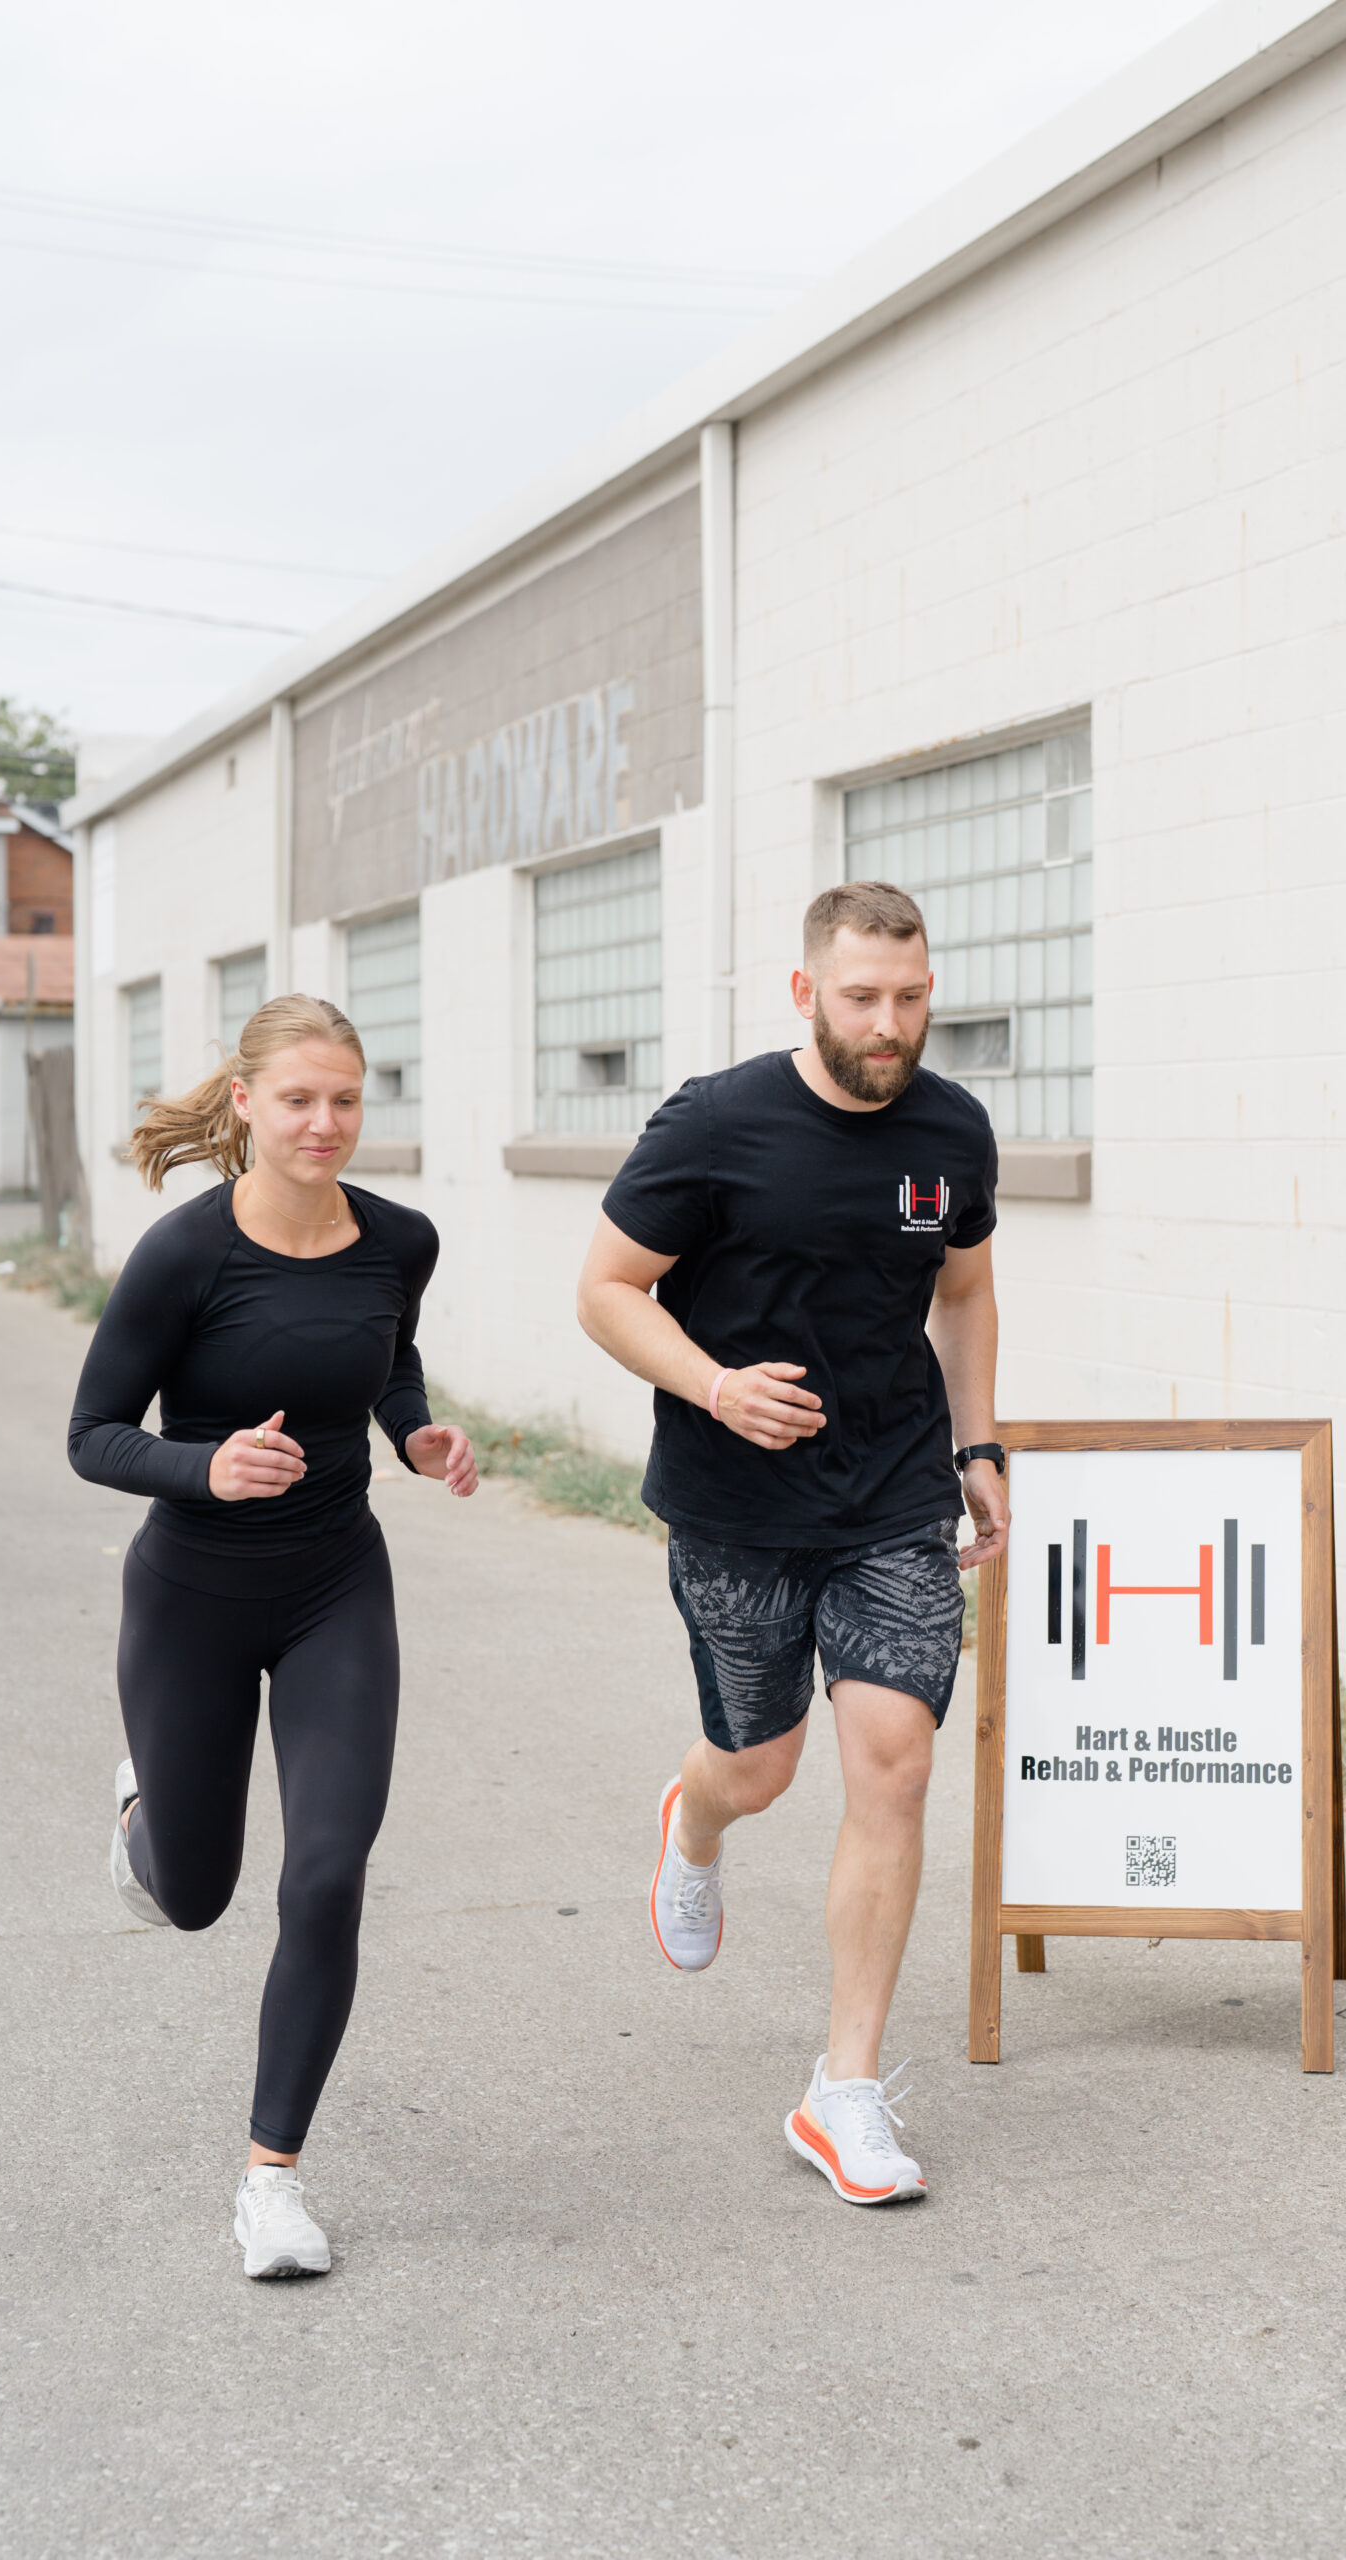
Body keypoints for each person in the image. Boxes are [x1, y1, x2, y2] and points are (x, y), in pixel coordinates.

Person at [577, 880, 1009, 2205]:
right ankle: (692, 1821)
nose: (888, 1024)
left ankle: (845, 2091)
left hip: (887, 1495)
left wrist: (977, 1445)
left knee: (893, 1756)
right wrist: (713, 1383)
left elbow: (965, 1288)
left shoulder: (951, 1129)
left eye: (911, 996)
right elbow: (603, 1289)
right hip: (735, 1504)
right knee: (757, 1768)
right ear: (804, 992)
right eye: (862, 997)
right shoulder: (712, 1125)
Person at [67, 993, 477, 2278]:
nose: (325, 1123)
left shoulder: (400, 1239)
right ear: (244, 1104)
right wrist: (201, 1468)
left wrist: (416, 1430)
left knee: (328, 1874)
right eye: (299, 1098)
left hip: (334, 1589)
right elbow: (93, 1433)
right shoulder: (185, 1255)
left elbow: (390, 1361)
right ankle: (146, 1809)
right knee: (192, 1897)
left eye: (346, 1099)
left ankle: (272, 2179)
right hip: (190, 1594)